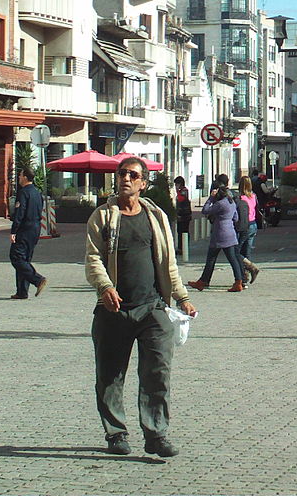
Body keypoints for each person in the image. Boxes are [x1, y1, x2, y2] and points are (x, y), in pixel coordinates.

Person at [85, 155, 196, 458]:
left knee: (157, 372)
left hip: (152, 308)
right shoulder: (103, 217)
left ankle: (156, 434)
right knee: (110, 375)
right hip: (114, 311)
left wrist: (182, 297)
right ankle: (116, 433)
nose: (126, 179)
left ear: (143, 183)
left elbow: (168, 262)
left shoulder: (155, 217)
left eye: (133, 175)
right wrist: (104, 286)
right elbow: (93, 258)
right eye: (122, 174)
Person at [188, 177, 244, 292]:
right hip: (230, 233)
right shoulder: (231, 202)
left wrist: (211, 198)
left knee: (211, 258)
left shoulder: (220, 204)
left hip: (219, 234)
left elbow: (205, 210)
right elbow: (236, 217)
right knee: (233, 259)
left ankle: (203, 281)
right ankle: (239, 281)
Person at [9, 169, 47, 299]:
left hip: (24, 229)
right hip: (35, 229)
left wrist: (14, 230)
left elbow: (20, 213)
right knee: (25, 259)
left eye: (20, 176)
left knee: (16, 257)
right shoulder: (37, 193)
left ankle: (38, 279)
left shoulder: (24, 192)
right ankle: (22, 291)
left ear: (25, 177)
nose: (19, 178)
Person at [236, 175, 260, 285]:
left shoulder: (241, 198)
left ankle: (246, 274)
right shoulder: (254, 196)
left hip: (244, 226)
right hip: (253, 224)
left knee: (237, 252)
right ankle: (246, 275)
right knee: (247, 252)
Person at [173, 176, 191, 258]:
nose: (176, 186)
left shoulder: (184, 191)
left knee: (183, 231)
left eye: (177, 184)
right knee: (179, 231)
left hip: (185, 215)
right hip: (181, 214)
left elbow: (181, 199)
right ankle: (181, 247)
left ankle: (183, 248)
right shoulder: (181, 191)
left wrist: (177, 192)